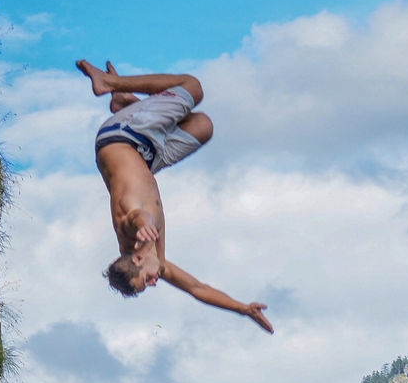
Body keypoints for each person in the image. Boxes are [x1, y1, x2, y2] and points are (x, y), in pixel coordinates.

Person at [76, 58, 274, 333]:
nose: (155, 282)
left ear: (136, 259)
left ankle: (111, 83)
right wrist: (241, 308)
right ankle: (126, 103)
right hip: (145, 158)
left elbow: (134, 213)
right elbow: (196, 288)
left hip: (121, 138)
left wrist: (144, 222)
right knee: (202, 125)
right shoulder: (157, 259)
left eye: (147, 280)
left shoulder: (132, 230)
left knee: (192, 87)